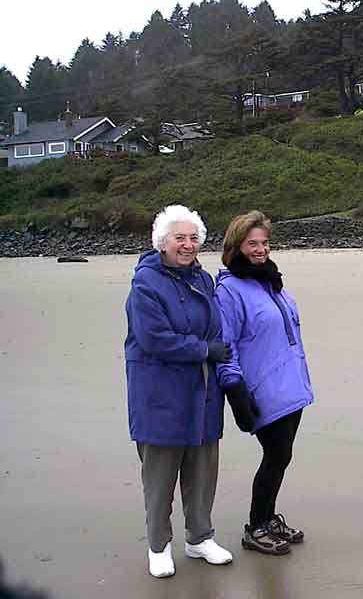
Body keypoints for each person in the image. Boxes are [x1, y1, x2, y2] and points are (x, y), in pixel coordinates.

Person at [124, 205, 234, 577]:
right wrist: (204, 350)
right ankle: (158, 546)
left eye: (193, 238)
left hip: (203, 391)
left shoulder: (204, 280)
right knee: (159, 478)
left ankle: (200, 537)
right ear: (162, 242)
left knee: (202, 471)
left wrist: (213, 351)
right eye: (179, 238)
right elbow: (154, 339)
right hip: (159, 394)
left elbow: (215, 328)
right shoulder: (145, 284)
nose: (187, 245)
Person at [214, 211, 314, 556]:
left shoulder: (270, 280)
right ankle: (256, 527)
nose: (260, 249)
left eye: (264, 242)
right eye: (252, 243)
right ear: (236, 246)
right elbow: (225, 344)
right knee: (275, 455)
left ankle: (269, 519)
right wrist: (235, 390)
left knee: (281, 456)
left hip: (291, 385)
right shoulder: (229, 290)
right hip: (261, 389)